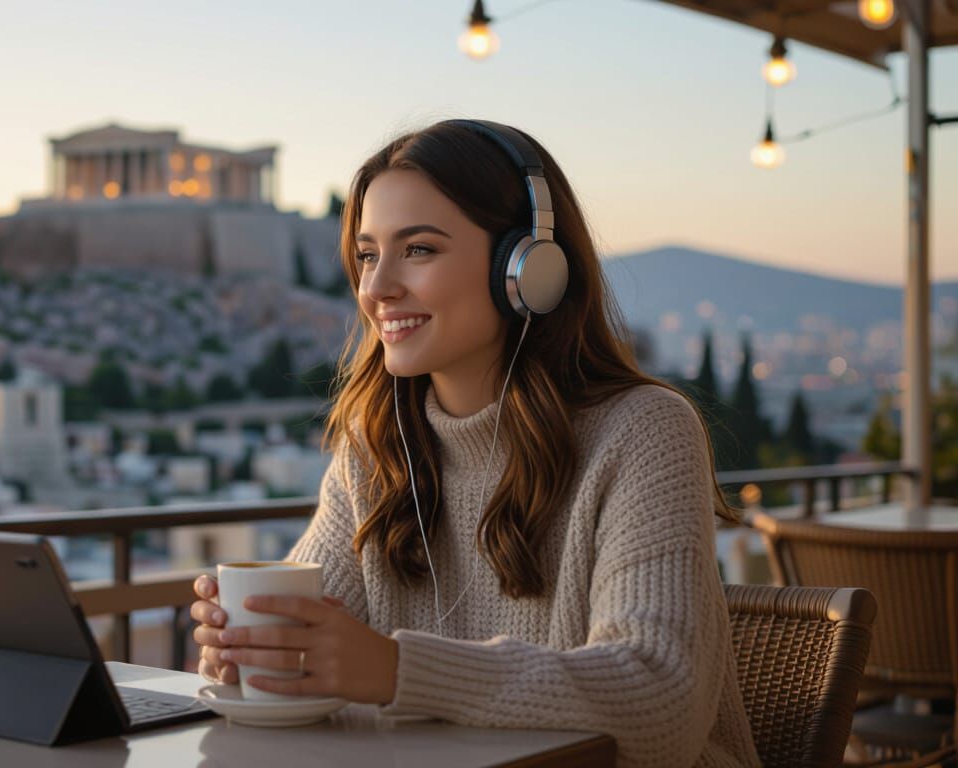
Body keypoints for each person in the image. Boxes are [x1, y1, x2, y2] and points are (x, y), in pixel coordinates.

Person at [189, 119, 759, 767]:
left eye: (420, 250)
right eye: (369, 255)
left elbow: (661, 704)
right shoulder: (373, 446)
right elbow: (319, 650)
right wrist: (257, 650)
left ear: (528, 268)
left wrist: (398, 669)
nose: (376, 290)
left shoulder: (643, 431)